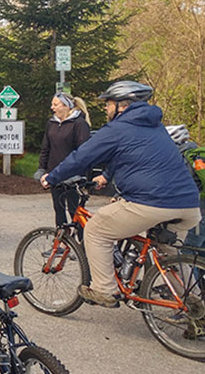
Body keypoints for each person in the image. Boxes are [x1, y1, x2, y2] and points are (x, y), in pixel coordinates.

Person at [42, 81, 202, 307]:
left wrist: (52, 177)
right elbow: (135, 157)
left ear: (123, 106)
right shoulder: (155, 127)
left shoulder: (117, 128)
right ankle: (193, 306)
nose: (106, 109)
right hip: (188, 204)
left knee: (96, 230)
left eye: (108, 104)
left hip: (151, 202)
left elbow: (82, 157)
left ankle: (105, 290)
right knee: (166, 254)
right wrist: (107, 176)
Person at [35, 92, 90, 225]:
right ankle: (61, 242)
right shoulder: (51, 123)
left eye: (55, 104)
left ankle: (82, 242)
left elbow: (83, 152)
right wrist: (42, 169)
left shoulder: (79, 124)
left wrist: (79, 174)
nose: (52, 107)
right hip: (55, 174)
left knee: (74, 211)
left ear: (66, 106)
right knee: (58, 210)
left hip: (72, 176)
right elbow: (46, 148)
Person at [166, 124, 205, 248]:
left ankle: (194, 267)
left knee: (191, 248)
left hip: (201, 208)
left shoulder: (184, 159)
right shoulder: (195, 154)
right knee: (201, 248)